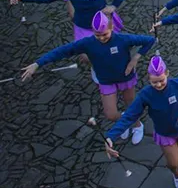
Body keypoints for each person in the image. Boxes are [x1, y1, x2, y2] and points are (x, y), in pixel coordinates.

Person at [22, 11, 154, 142]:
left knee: (130, 104)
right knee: (110, 114)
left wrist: (135, 58)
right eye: (97, 35)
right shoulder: (88, 43)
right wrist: (38, 63)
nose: (101, 38)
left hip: (125, 77)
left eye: (105, 34)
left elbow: (149, 40)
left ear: (112, 28)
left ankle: (137, 125)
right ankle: (125, 122)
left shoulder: (123, 39)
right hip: (106, 81)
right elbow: (62, 51)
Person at [103, 56, 178, 188]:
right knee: (173, 163)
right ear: (148, 78)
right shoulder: (145, 95)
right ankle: (177, 175)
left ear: (167, 73)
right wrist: (111, 136)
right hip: (165, 133)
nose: (159, 85)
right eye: (154, 82)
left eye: (161, 80)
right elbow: (129, 116)